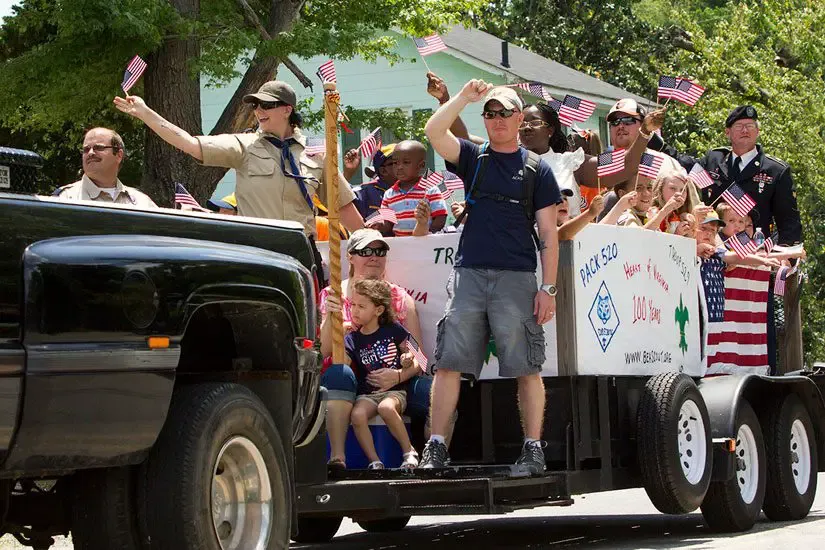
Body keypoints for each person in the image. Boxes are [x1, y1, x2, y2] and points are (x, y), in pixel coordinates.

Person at [422, 82, 562, 473]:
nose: (497, 120)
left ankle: (533, 448)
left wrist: (548, 288)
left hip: (517, 277)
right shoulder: (473, 156)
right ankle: (435, 447)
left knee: (526, 366)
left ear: (520, 118)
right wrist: (464, 98)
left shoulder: (537, 169)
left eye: (505, 113)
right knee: (449, 361)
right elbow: (435, 132)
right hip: (469, 274)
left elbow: (550, 235)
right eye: (491, 113)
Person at [114, 81, 364, 283]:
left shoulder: (315, 152)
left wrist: (369, 245)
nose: (258, 111)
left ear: (287, 110)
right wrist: (145, 113)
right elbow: (189, 143)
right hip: (258, 249)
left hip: (301, 250)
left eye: (266, 105)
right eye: (256, 106)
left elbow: (343, 207)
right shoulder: (244, 146)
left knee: (307, 329)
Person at [319, 229, 429, 469]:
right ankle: (338, 459)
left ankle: (432, 460)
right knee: (340, 373)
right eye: (366, 251)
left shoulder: (400, 298)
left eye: (380, 251)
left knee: (436, 393)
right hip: (349, 380)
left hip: (396, 382)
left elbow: (420, 357)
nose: (374, 257)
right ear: (350, 256)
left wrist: (399, 375)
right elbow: (324, 353)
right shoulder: (332, 294)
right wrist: (332, 318)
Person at [675, 105, 801, 246]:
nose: (745, 130)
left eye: (750, 126)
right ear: (727, 132)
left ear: (758, 131)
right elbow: (683, 163)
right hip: (712, 248)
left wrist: (786, 258)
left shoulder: (775, 170)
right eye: (739, 126)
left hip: (753, 252)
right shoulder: (714, 159)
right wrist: (650, 137)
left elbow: (789, 222)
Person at [518, 102, 662, 217]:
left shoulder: (571, 162)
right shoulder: (503, 163)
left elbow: (625, 164)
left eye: (535, 122)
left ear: (551, 130)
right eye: (522, 124)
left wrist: (644, 133)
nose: (527, 128)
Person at [345, 279, 421, 470]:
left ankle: (409, 452)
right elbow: (343, 362)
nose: (355, 311)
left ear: (378, 310)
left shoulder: (394, 329)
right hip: (368, 393)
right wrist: (338, 335)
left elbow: (418, 355)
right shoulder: (352, 339)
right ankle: (374, 461)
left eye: (361, 306)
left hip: (394, 391)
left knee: (386, 408)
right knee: (357, 415)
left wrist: (406, 361)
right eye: (353, 305)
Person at [53, 127, 157, 208]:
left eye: (98, 148)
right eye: (86, 149)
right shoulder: (65, 199)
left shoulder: (141, 202)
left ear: (119, 155)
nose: (91, 153)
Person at [379, 140, 448, 237]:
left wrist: (427, 233)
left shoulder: (431, 189)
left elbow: (440, 218)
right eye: (395, 163)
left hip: (426, 241)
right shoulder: (389, 194)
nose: (399, 167)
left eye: (406, 162)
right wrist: (379, 225)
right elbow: (387, 224)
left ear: (421, 165)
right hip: (401, 244)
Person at [354, 144, 397, 221]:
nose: (401, 166)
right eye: (396, 162)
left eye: (406, 161)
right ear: (383, 171)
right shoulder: (364, 192)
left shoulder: (419, 189)